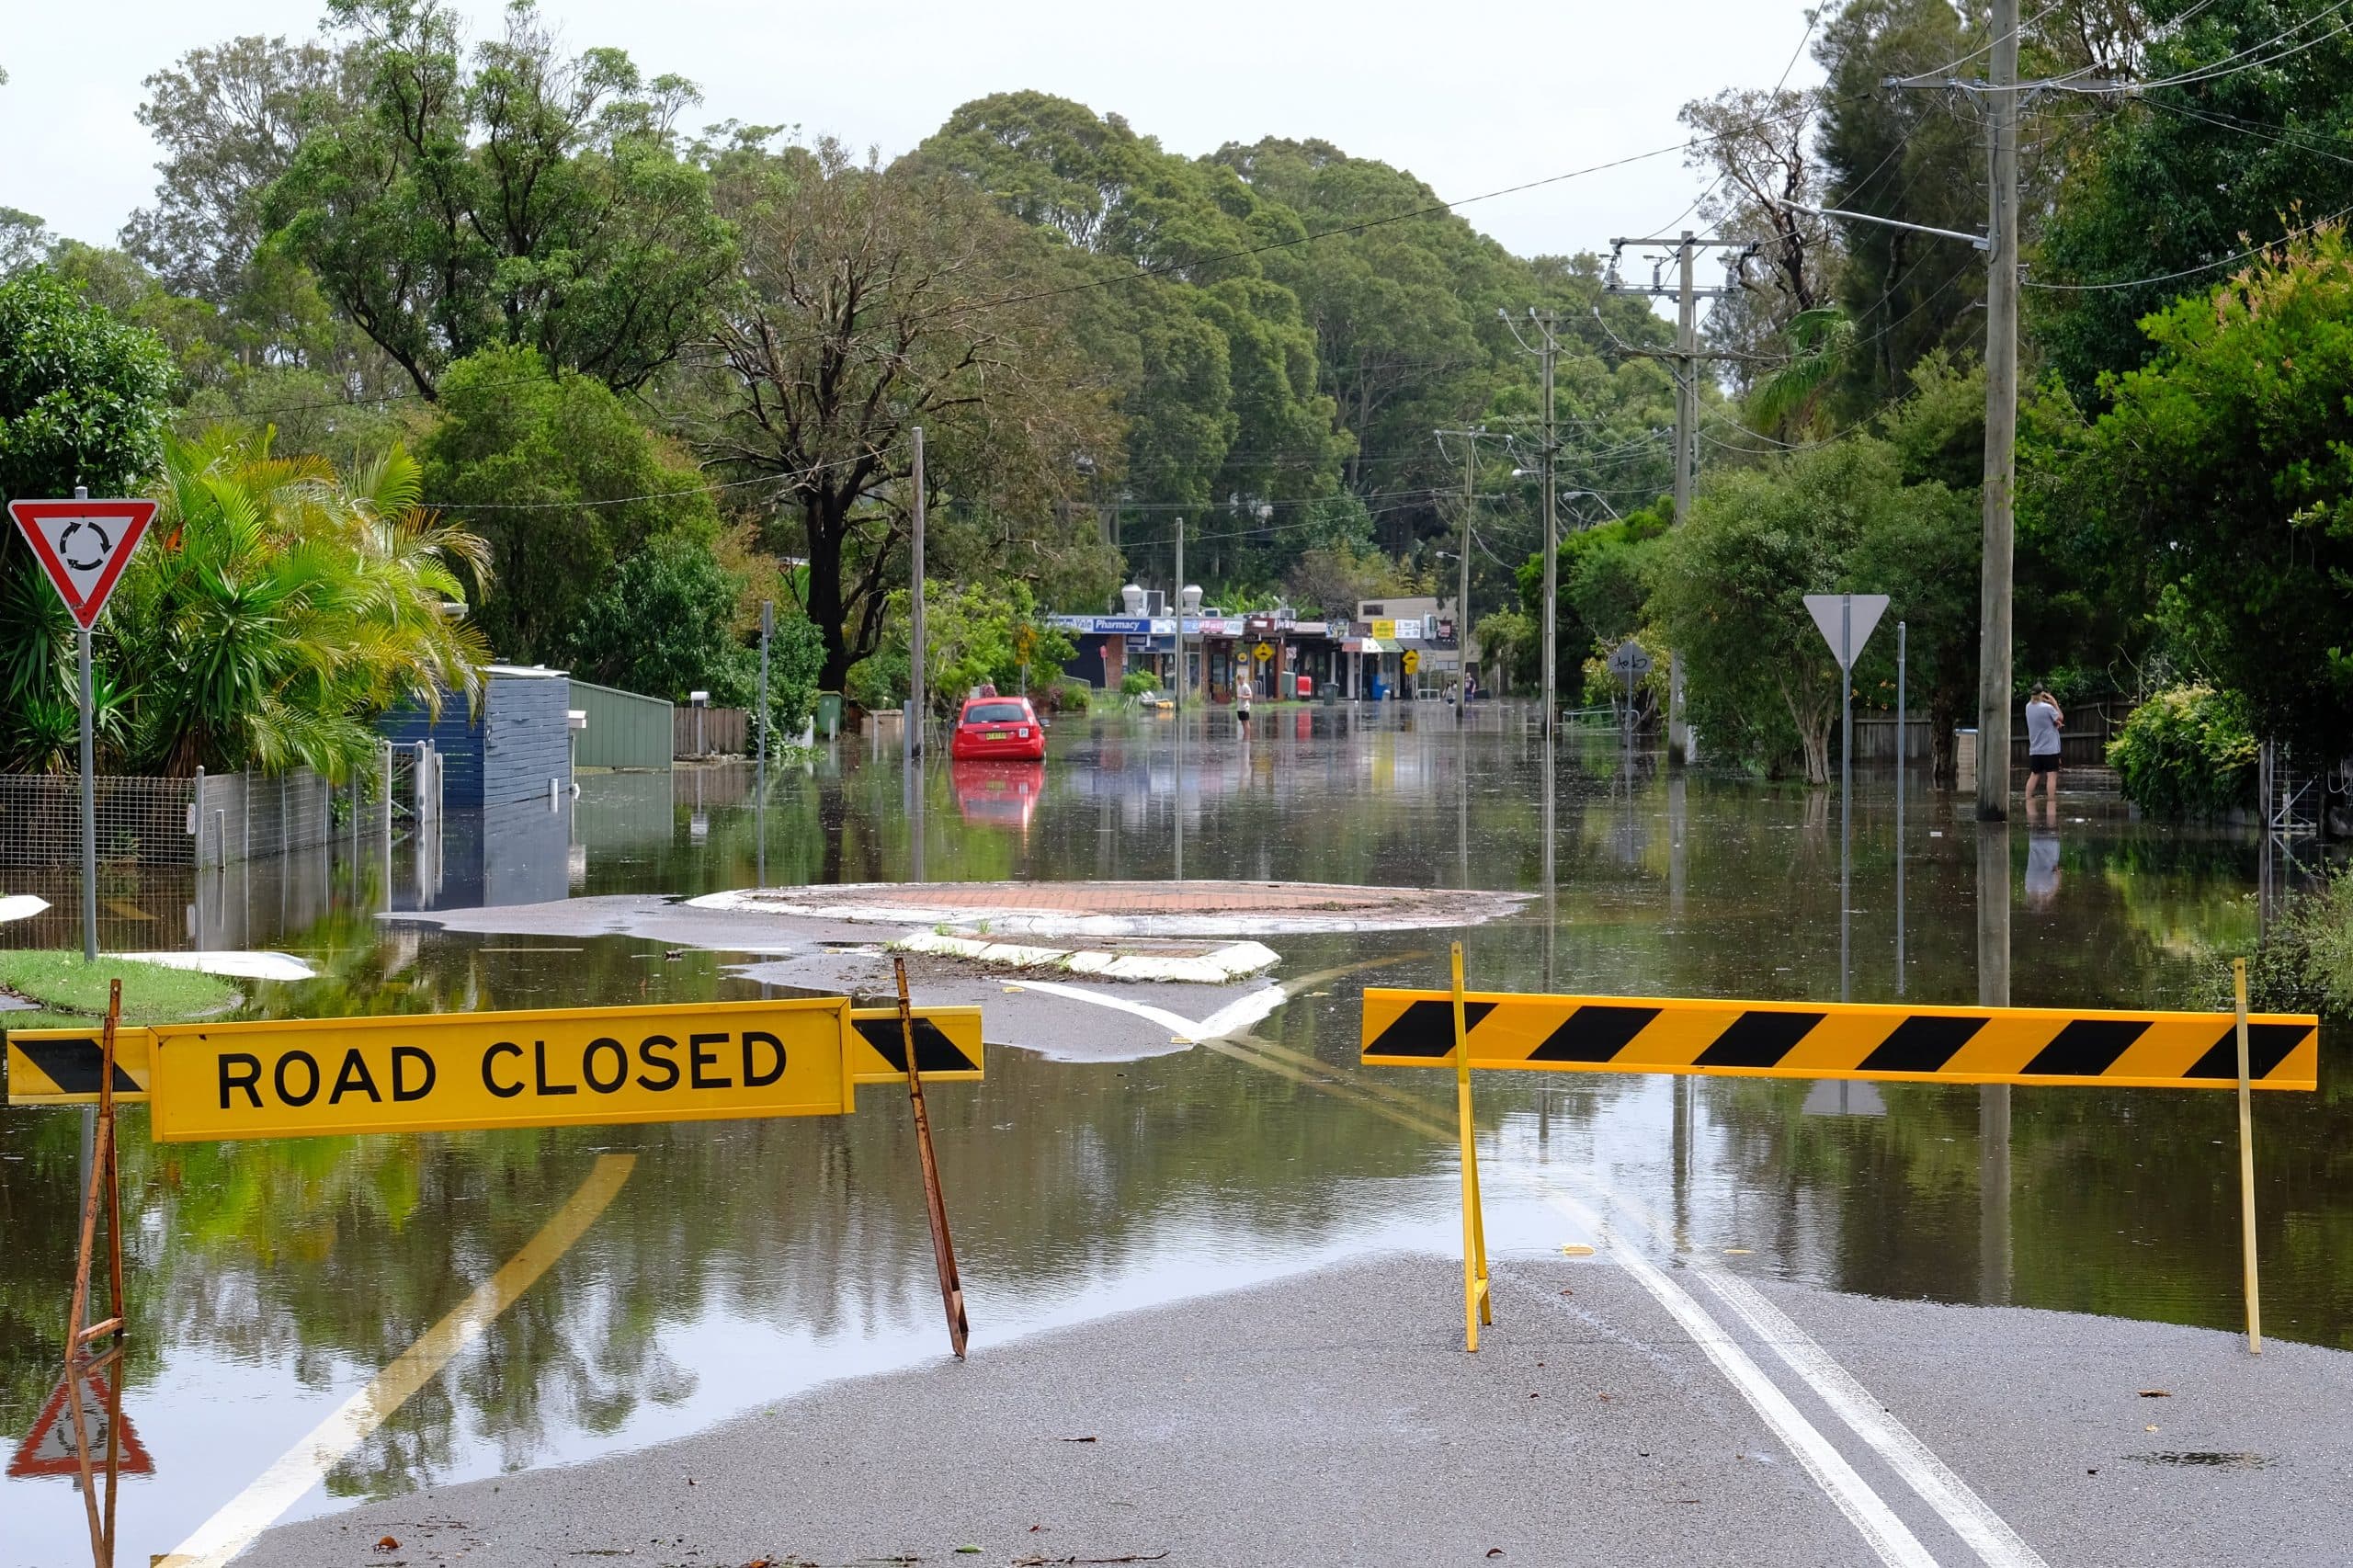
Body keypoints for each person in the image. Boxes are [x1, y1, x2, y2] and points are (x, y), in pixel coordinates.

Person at [2024, 683, 2063, 801]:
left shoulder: (2028, 707)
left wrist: (2054, 723)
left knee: (2034, 775)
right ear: (2042, 694)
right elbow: (2060, 717)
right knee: (2051, 776)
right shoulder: (2048, 708)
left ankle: (2028, 800)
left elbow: (2042, 722)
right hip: (2050, 749)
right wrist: (2054, 703)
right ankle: (2051, 803)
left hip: (2035, 749)